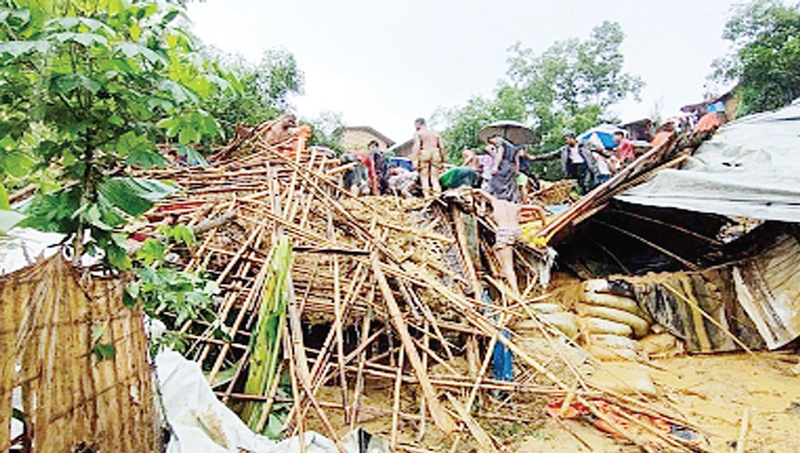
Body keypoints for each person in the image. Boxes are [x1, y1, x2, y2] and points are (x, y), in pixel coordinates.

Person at [411, 118, 446, 197]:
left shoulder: (418, 134)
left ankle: (427, 196)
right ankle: (437, 195)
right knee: (434, 178)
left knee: (424, 177)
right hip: (435, 153)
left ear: (418, 125)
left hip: (425, 152)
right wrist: (443, 160)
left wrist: (415, 161)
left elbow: (417, 146)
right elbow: (442, 147)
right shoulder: (435, 134)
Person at [487, 135, 522, 203]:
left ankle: (499, 200)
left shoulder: (501, 143)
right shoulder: (513, 146)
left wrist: (495, 166)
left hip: (503, 165)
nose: (492, 143)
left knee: (497, 183)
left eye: (491, 141)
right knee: (509, 185)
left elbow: (500, 154)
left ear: (495, 137)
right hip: (511, 166)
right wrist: (517, 170)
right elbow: (516, 159)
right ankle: (510, 200)